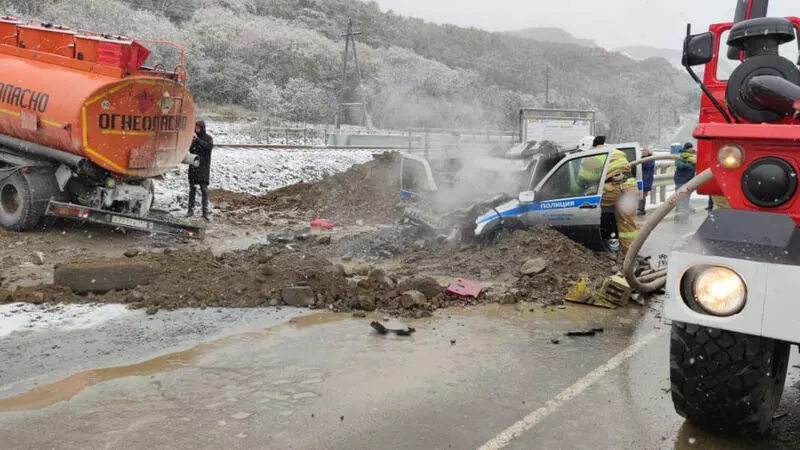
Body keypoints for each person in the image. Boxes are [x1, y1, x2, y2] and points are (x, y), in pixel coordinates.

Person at [576, 136, 639, 252]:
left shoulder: (593, 156)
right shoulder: (613, 151)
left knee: (586, 204)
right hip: (630, 187)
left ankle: (608, 236)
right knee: (627, 224)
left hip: (615, 188)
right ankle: (630, 254)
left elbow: (583, 181)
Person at [187, 120, 213, 220]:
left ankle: (205, 212)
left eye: (198, 128)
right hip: (194, 165)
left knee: (204, 189)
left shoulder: (208, 138)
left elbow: (208, 147)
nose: (196, 129)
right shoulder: (192, 137)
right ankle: (190, 210)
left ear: (202, 128)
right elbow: (189, 149)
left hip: (203, 167)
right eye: (195, 128)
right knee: (192, 189)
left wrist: (197, 140)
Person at [674, 142, 697, 214]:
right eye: (690, 148)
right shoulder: (682, 156)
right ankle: (679, 207)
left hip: (689, 178)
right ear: (687, 149)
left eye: (692, 148)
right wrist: (688, 166)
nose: (691, 149)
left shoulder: (693, 156)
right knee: (680, 193)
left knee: (687, 193)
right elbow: (677, 164)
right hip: (681, 178)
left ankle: (686, 206)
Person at [638, 146, 655, 216]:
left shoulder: (651, 159)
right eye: (642, 150)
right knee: (639, 194)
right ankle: (640, 209)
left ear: (649, 152)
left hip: (646, 180)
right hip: (640, 179)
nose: (643, 151)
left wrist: (640, 161)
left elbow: (647, 165)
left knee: (643, 195)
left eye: (645, 150)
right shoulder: (640, 159)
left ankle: (641, 209)